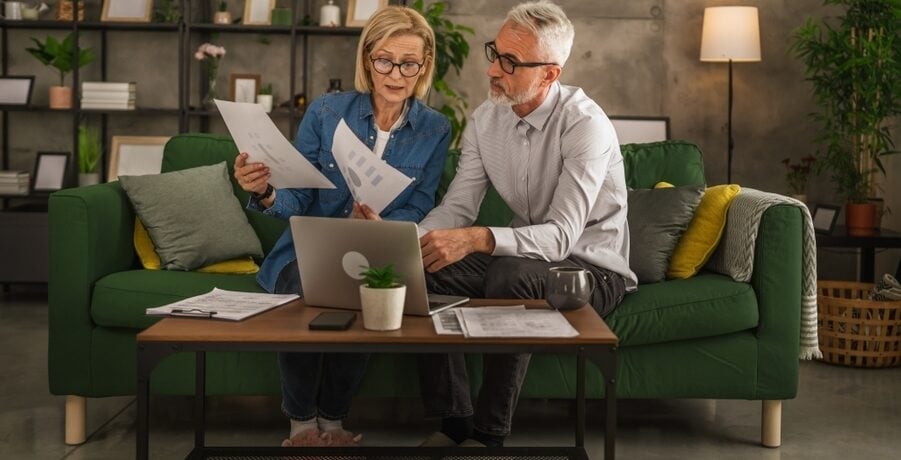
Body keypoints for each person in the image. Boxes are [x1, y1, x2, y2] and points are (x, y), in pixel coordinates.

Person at [416, 0, 637, 448]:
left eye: (511, 62)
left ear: (550, 74)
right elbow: (458, 207)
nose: (494, 70)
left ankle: (489, 433)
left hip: (593, 269)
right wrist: (411, 240)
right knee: (420, 266)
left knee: (510, 273)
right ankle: (454, 421)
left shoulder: (584, 125)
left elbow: (560, 238)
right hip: (529, 258)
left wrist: (478, 238)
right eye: (494, 53)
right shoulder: (485, 120)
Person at [233, 6, 450, 448]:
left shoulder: (435, 129)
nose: (396, 73)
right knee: (303, 291)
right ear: (368, 59)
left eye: (409, 63)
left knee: (372, 290)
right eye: (385, 60)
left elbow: (422, 206)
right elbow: (297, 192)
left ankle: (332, 422)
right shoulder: (328, 111)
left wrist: (382, 223)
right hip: (309, 249)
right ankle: (301, 425)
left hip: (378, 249)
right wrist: (267, 192)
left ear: (424, 66)